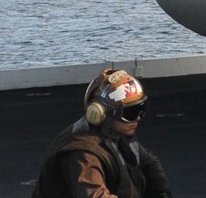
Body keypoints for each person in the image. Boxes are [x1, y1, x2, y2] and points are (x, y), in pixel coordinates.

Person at [31, 69, 172, 198]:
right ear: (101, 113)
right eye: (130, 113)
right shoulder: (82, 153)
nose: (138, 118)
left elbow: (148, 164)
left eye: (141, 109)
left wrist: (162, 193)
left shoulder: (117, 134)